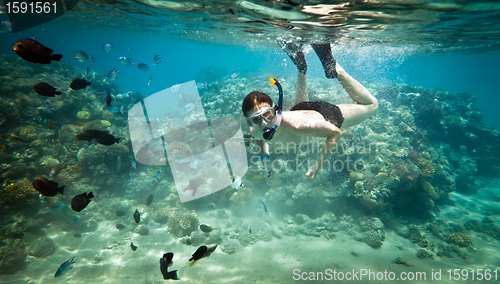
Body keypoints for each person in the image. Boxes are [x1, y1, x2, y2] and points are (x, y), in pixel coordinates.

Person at [242, 42, 378, 178]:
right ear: (250, 123)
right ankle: (301, 68)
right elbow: (260, 138)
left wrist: (317, 165)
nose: (264, 123)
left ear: (276, 110)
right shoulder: (255, 130)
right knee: (300, 106)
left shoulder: (296, 126)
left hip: (326, 115)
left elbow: (335, 133)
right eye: (255, 120)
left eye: (267, 115)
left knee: (372, 106)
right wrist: (265, 160)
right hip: (299, 109)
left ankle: (334, 68)